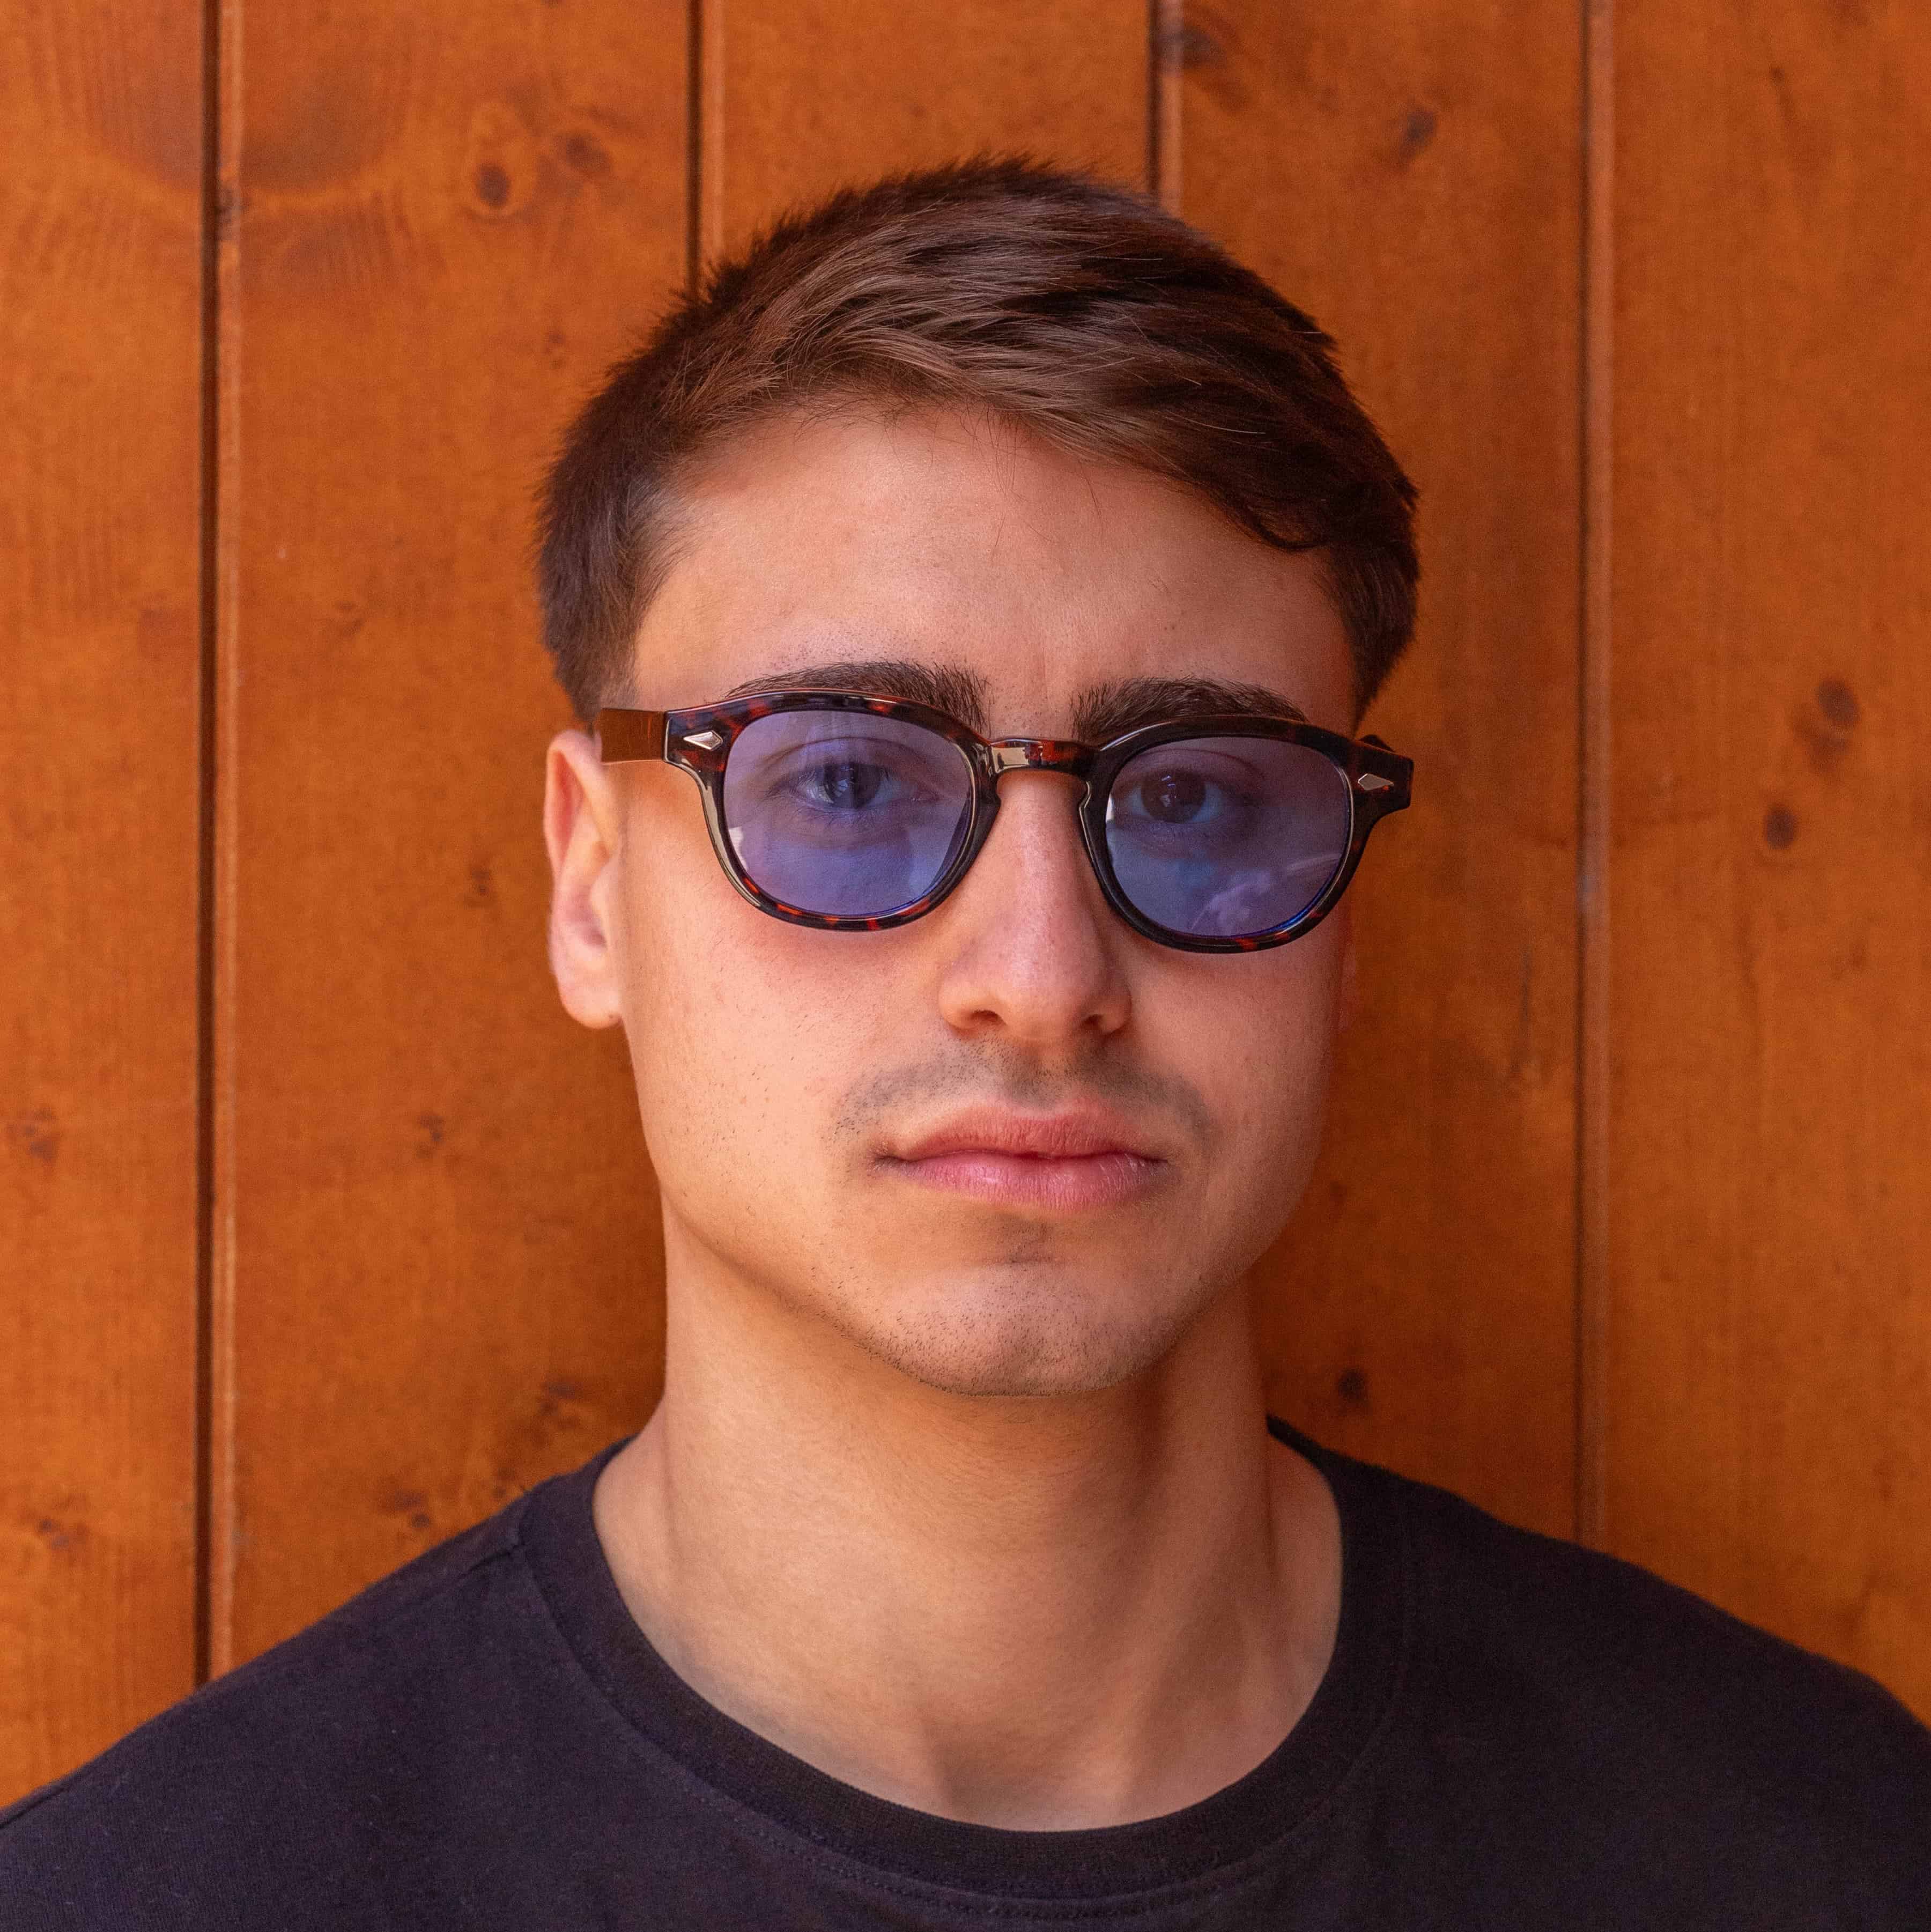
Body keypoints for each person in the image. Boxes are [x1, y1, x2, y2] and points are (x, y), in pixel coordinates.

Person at [2, 159, 1925, 1929]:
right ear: (594, 889)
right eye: (846, 777)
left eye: (1193, 800)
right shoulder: (164, 1895)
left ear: (1345, 919)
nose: (1038, 971)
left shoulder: (1813, 1848)